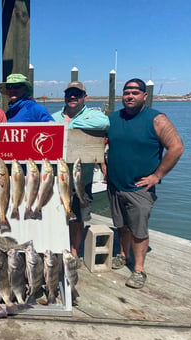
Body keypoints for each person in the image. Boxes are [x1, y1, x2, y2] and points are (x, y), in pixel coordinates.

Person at [105, 78, 183, 289]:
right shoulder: (113, 118)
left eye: (135, 92)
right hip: (114, 184)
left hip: (140, 187)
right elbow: (102, 145)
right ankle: (123, 254)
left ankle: (139, 268)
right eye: (126, 92)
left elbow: (176, 147)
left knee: (139, 230)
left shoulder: (157, 119)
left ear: (144, 96)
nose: (130, 96)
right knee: (121, 225)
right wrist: (104, 167)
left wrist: (157, 175)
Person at [52, 81, 110, 260]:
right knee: (55, 214)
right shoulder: (54, 117)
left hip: (81, 178)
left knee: (77, 218)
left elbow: (105, 123)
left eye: (77, 94)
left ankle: (74, 251)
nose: (72, 97)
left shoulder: (94, 116)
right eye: (69, 93)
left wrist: (70, 127)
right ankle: (57, 246)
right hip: (57, 177)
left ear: (85, 97)